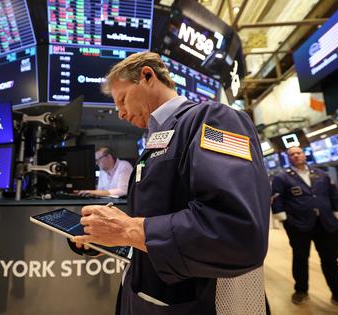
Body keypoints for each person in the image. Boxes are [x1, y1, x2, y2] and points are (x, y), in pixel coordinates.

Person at [71, 51, 271, 314]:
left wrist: (130, 230)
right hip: (145, 293)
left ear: (147, 76)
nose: (120, 113)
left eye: (122, 99)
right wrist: (110, 234)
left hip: (195, 302)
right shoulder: (156, 140)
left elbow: (237, 231)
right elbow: (160, 216)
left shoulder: (213, 119)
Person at [271, 146, 338, 315]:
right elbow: (276, 199)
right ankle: (301, 290)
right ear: (288, 158)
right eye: (292, 154)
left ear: (304, 154)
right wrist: (286, 220)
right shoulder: (282, 178)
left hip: (326, 224)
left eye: (298, 152)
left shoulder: (322, 175)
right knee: (300, 258)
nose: (296, 155)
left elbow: (334, 196)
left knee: (331, 261)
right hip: (299, 225)